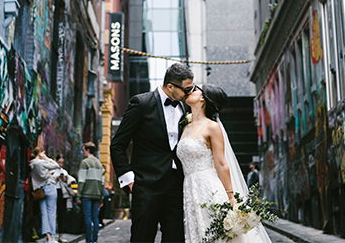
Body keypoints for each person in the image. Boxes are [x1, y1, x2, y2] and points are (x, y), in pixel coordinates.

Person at [177, 84, 272, 243]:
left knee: (217, 236)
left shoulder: (212, 127)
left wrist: (231, 196)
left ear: (203, 98)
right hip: (189, 188)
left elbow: (221, 163)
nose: (189, 91)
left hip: (209, 188)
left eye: (195, 89)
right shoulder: (185, 125)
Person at [110, 62, 194, 242]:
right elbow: (117, 144)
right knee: (143, 237)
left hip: (176, 184)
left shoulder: (185, 108)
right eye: (186, 90)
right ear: (171, 86)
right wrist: (129, 180)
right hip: (146, 184)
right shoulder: (141, 103)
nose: (190, 93)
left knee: (175, 238)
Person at [30, 147, 61, 242]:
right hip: (50, 187)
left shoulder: (32, 164)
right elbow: (56, 165)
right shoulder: (42, 162)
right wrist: (46, 158)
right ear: (40, 153)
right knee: (51, 212)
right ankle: (52, 237)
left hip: (40, 191)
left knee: (44, 214)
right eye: (44, 153)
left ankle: (48, 237)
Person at [77, 142, 105, 243]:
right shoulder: (99, 163)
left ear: (87, 150)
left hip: (87, 194)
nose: (82, 152)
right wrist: (101, 197)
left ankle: (88, 241)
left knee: (87, 218)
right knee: (95, 218)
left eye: (83, 150)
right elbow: (102, 182)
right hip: (97, 194)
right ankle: (94, 240)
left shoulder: (85, 162)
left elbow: (81, 180)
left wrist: (78, 195)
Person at [54, 154, 76, 241]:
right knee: (52, 213)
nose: (60, 164)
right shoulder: (53, 171)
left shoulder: (64, 172)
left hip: (62, 194)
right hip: (55, 192)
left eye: (62, 163)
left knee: (61, 214)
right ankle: (52, 235)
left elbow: (68, 183)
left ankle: (60, 235)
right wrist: (56, 178)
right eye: (59, 162)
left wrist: (65, 179)